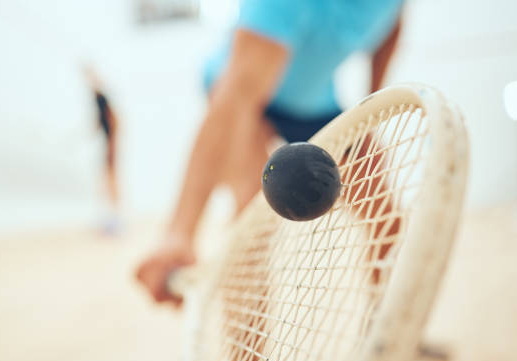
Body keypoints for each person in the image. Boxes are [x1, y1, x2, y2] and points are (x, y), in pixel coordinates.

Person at [136, 0, 404, 304]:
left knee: (387, 220)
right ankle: (247, 353)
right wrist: (180, 232)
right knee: (252, 227)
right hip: (240, 95)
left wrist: (370, 105)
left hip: (313, 102)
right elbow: (237, 97)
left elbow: (390, 29)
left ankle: (388, 335)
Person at [83, 66, 121, 231]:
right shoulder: (97, 99)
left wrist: (112, 145)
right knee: (105, 180)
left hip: (110, 146)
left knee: (110, 181)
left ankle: (115, 220)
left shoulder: (102, 98)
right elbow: (99, 125)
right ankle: (109, 218)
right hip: (107, 144)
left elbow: (114, 121)